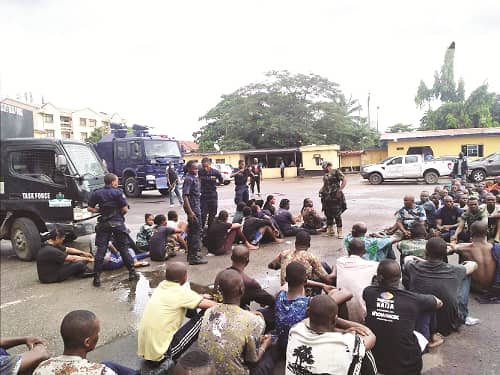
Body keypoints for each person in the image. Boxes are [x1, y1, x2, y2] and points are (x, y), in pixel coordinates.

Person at [363, 260, 442, 375]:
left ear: (379, 277)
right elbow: (439, 303)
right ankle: (433, 337)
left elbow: (375, 289)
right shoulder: (413, 299)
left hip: (378, 361)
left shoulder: (368, 293)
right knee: (427, 307)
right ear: (400, 278)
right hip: (408, 365)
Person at [198, 269, 275, 375]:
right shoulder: (254, 321)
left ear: (220, 291)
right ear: (242, 290)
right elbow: (252, 359)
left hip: (208, 371)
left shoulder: (209, 312)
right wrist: (266, 344)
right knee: (272, 350)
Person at [138, 262, 216, 363]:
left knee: (192, 304)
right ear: (184, 277)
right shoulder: (181, 294)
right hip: (163, 353)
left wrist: (200, 297)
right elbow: (214, 306)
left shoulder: (162, 286)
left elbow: (186, 296)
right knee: (206, 314)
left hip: (147, 351)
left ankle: (193, 328)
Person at [404, 237, 479, 337]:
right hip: (449, 324)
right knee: (466, 275)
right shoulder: (454, 270)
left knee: (409, 275)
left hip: (420, 322)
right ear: (445, 254)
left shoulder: (414, 266)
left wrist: (422, 261)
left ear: (426, 252)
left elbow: (407, 258)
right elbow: (473, 264)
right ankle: (463, 313)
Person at [275, 262, 352, 356]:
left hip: (282, 346)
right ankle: (345, 336)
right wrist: (332, 292)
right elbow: (347, 294)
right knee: (333, 302)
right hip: (298, 349)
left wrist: (322, 286)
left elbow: (287, 286)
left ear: (286, 279)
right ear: (305, 280)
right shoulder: (309, 303)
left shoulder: (279, 295)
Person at [286, 295, 377, 375]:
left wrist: (342, 331)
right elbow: (370, 335)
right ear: (334, 320)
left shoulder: (295, 331)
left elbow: (307, 321)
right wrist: (340, 323)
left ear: (308, 312)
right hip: (336, 327)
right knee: (362, 350)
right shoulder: (348, 344)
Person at [33, 310, 136, 375]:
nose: (98, 335)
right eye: (97, 333)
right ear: (87, 342)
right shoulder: (102, 372)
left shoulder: (42, 367)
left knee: (107, 364)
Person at [88, 173, 138, 287]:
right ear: (113, 182)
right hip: (117, 223)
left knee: (101, 250)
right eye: (116, 181)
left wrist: (100, 211)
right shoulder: (118, 192)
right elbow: (125, 209)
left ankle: (96, 278)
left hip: (103, 224)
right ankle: (132, 273)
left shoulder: (97, 193)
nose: (118, 183)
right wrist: (118, 214)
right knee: (124, 248)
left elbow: (89, 208)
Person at [333, 239, 378, 322]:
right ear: (364, 252)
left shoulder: (339, 261)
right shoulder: (373, 265)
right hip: (363, 315)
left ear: (348, 249)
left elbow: (332, 275)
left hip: (341, 316)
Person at [268, 230, 335, 286]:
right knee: (324, 270)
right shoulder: (310, 257)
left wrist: (284, 263)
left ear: (295, 243)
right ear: (309, 245)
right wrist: (334, 271)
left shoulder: (284, 254)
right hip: (301, 292)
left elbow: (271, 266)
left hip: (285, 290)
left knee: (322, 264)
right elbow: (327, 280)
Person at [450, 222, 497, 292]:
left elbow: (453, 248)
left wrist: (453, 243)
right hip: (492, 287)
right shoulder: (494, 247)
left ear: (471, 232)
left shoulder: (465, 249)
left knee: (462, 260)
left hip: (475, 288)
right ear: (486, 232)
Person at [182, 160, 207, 265]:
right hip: (194, 209)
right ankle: (194, 257)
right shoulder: (189, 179)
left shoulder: (194, 178)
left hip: (196, 207)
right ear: (189, 169)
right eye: (194, 168)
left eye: (197, 168)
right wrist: (190, 212)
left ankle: (191, 255)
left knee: (193, 233)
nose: (196, 170)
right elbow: (185, 196)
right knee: (196, 233)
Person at [319, 161, 347, 238]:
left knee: (337, 214)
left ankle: (340, 232)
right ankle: (330, 231)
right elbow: (325, 185)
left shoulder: (336, 171)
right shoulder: (326, 174)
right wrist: (321, 190)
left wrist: (340, 189)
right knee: (328, 214)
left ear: (327, 166)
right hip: (326, 197)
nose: (323, 169)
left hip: (335, 196)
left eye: (324, 167)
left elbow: (344, 179)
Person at [198, 157, 224, 230]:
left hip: (213, 195)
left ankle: (210, 229)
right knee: (203, 214)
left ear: (210, 164)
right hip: (204, 195)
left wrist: (217, 184)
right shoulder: (200, 172)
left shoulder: (215, 172)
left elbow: (221, 180)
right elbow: (198, 180)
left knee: (212, 214)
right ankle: (201, 230)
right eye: (204, 166)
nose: (205, 168)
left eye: (207, 166)